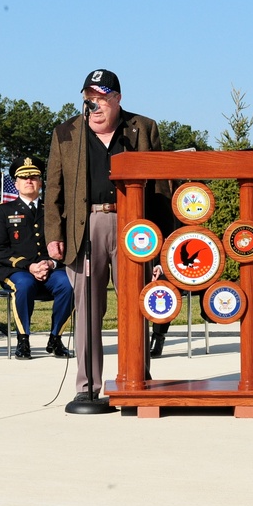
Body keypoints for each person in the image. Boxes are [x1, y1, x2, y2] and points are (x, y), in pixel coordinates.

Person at [45, 69, 170, 402]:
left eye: (101, 97)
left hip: (135, 227)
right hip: (87, 226)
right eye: (89, 97)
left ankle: (136, 381)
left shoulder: (142, 129)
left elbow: (160, 189)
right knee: (88, 309)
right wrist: (54, 233)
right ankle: (87, 388)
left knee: (136, 303)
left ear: (117, 98)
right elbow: (54, 188)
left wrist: (161, 246)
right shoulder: (66, 133)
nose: (94, 104)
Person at [0, 156, 74, 360]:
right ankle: (23, 340)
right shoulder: (4, 211)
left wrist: (50, 262)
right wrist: (30, 266)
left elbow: (66, 243)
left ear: (41, 182)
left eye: (34, 177)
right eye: (24, 177)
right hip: (17, 270)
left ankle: (56, 338)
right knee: (25, 285)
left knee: (69, 284)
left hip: (50, 269)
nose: (29, 181)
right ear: (16, 183)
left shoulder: (54, 211)